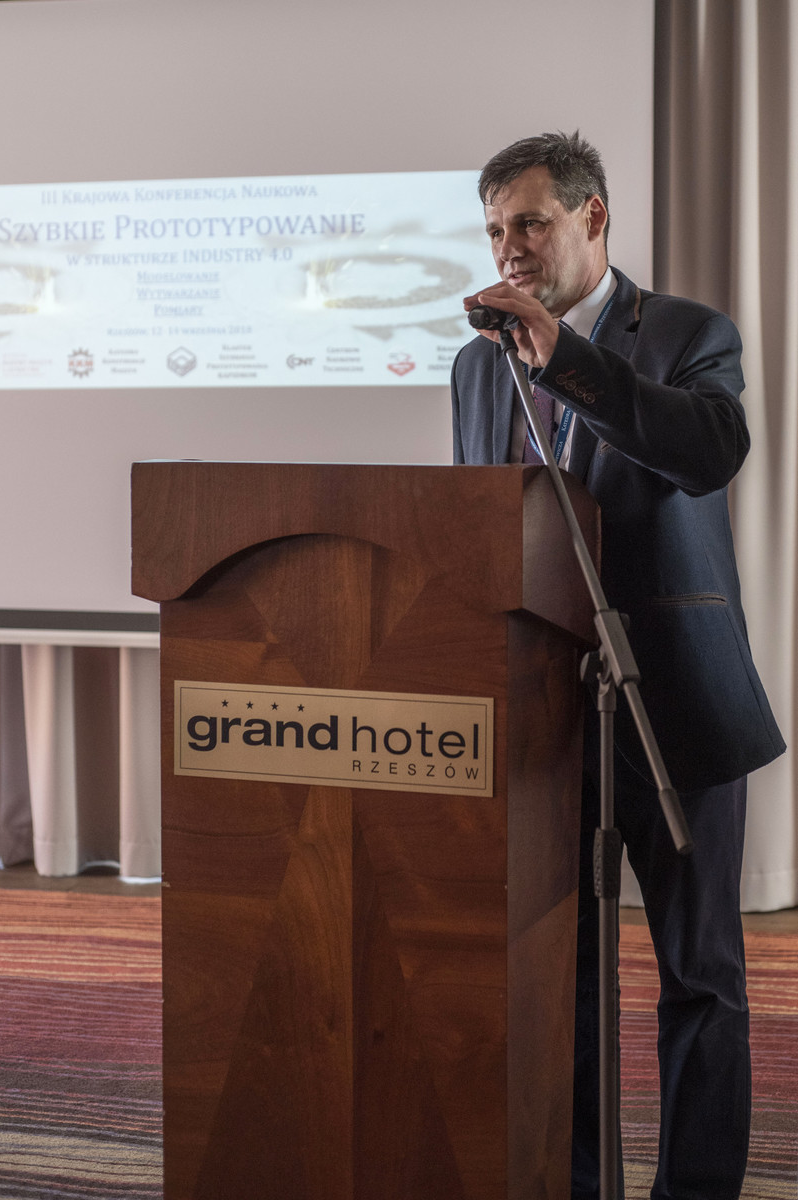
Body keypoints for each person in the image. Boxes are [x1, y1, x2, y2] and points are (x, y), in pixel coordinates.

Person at [451, 131, 785, 1199]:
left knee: (701, 978)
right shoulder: (475, 363)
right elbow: (475, 521)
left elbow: (705, 453)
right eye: (495, 229)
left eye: (531, 222)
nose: (509, 247)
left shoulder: (685, 333)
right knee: (564, 980)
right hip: (543, 715)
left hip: (672, 703)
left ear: (592, 217)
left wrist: (569, 359)